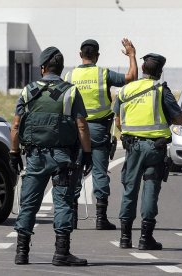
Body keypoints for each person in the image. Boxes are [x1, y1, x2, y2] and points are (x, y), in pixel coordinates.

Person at [9, 47, 92, 266]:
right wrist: (88, 153)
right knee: (63, 202)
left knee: (28, 203)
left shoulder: (28, 91)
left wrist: (14, 153)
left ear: (43, 67)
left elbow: (16, 126)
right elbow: (82, 126)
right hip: (62, 157)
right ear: (61, 68)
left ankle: (21, 252)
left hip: (35, 156)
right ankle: (61, 253)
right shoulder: (71, 92)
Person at [113, 53, 182, 250]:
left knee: (129, 189)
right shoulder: (162, 90)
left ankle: (125, 238)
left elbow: (118, 120)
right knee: (151, 190)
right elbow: (180, 120)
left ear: (143, 69)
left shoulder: (126, 89)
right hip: (155, 148)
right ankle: (146, 239)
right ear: (160, 72)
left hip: (133, 147)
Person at [64, 38, 137, 230]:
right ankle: (100, 218)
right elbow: (131, 78)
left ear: (80, 55)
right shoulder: (103, 74)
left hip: (74, 131)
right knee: (99, 172)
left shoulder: (69, 76)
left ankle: (71, 218)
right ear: (97, 56)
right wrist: (131, 55)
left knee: (74, 171)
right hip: (97, 130)